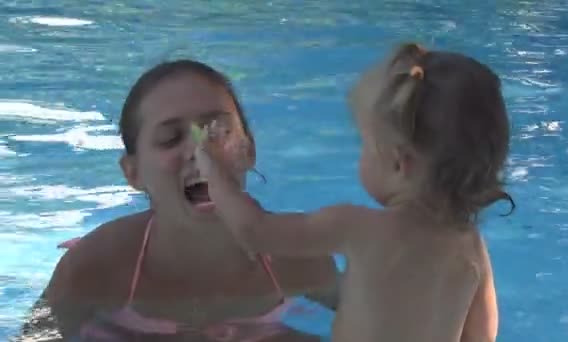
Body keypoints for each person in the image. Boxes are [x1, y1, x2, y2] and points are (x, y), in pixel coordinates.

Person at [201, 43, 510, 342]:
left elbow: (255, 231)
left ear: (399, 163)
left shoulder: (356, 227)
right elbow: (482, 336)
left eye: (365, 145)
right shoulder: (470, 245)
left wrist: (214, 173)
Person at [16, 60, 339, 341]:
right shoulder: (95, 268)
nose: (200, 152)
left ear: (249, 150)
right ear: (134, 173)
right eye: (170, 139)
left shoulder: (299, 258)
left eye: (218, 131)